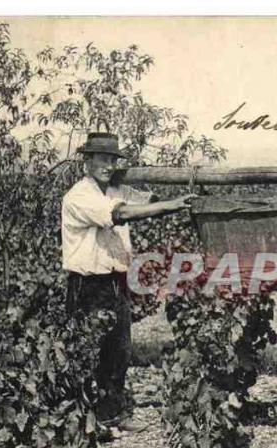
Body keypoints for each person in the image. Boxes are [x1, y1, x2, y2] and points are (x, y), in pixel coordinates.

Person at [62, 132, 196, 427]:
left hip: (116, 280)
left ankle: (112, 415)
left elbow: (146, 199)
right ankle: (83, 417)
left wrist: (185, 193)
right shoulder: (79, 196)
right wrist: (170, 206)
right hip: (88, 284)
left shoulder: (113, 190)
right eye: (102, 159)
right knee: (88, 350)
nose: (108, 165)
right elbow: (122, 214)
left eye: (112, 160)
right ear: (87, 160)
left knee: (118, 350)